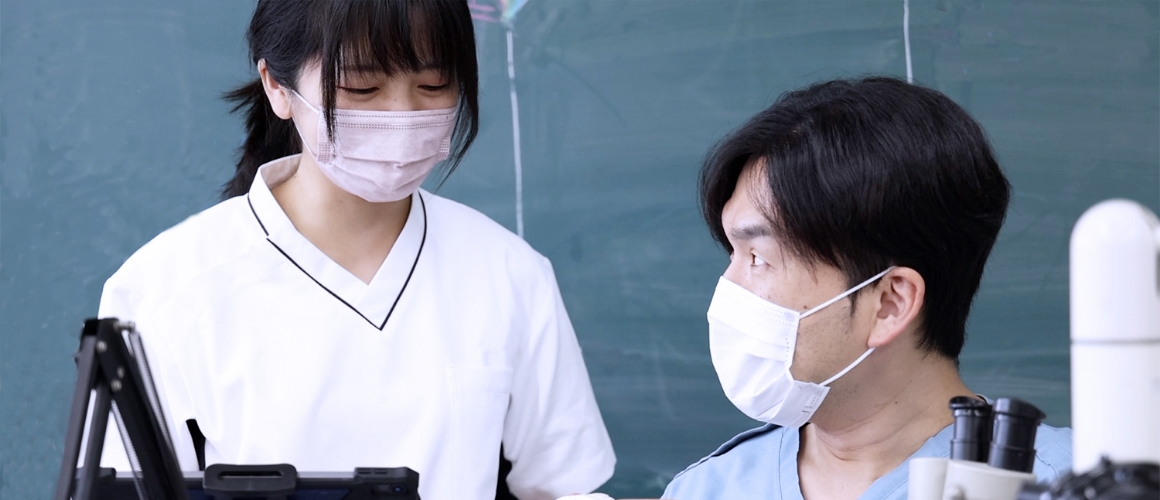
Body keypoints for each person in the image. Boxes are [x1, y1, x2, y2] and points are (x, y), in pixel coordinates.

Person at [91, 1, 615, 498]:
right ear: (277, 86)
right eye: (362, 88)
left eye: (433, 84)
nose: (402, 114)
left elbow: (565, 484)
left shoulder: (508, 273)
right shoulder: (165, 289)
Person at [663, 77, 1071, 500]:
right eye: (732, 253)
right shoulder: (705, 490)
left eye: (758, 259)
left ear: (890, 303)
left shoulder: (1065, 488)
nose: (729, 289)